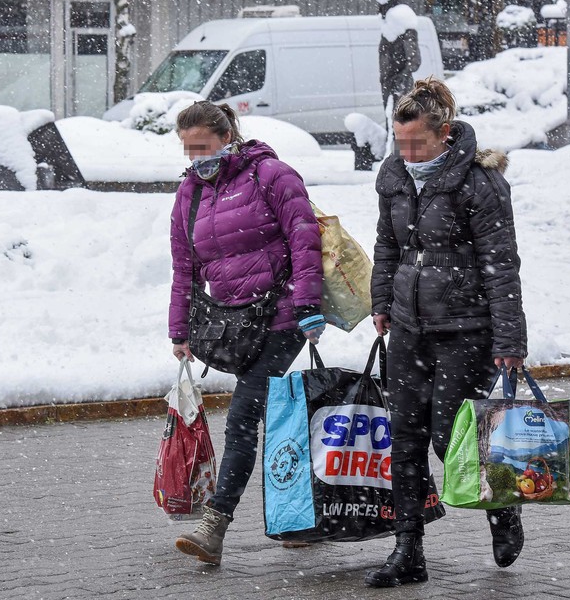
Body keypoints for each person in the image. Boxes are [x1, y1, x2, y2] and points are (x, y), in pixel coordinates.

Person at [365, 78, 527, 588]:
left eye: (417, 143)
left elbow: (501, 266)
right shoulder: (393, 174)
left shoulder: (479, 182)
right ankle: (408, 551)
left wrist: (509, 342)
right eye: (400, 142)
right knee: (405, 439)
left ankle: (502, 509)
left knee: (449, 436)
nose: (407, 153)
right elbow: (386, 245)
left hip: (466, 327)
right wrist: (382, 301)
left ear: (445, 133)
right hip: (410, 325)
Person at [168, 100, 325, 566]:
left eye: (203, 146)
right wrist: (180, 329)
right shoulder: (189, 195)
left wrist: (308, 303)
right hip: (232, 324)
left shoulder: (272, 175)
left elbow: (304, 236)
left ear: (227, 136)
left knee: (241, 417)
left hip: (280, 317)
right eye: (187, 150)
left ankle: (214, 527)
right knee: (272, 416)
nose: (196, 157)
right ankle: (299, 522)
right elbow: (185, 268)